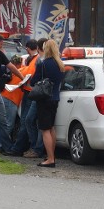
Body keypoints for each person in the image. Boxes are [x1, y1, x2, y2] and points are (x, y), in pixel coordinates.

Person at [29, 39, 65, 168]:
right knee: (51, 128)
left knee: (44, 129)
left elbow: (34, 82)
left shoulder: (43, 64)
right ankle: (52, 155)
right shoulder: (61, 64)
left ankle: (50, 159)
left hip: (44, 99)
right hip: (55, 98)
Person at [10, 39, 42, 157]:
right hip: (32, 92)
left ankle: (18, 148)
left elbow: (29, 74)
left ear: (28, 48)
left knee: (26, 121)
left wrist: (19, 73)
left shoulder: (35, 60)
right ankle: (24, 147)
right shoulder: (34, 59)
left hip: (30, 92)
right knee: (28, 122)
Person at [0, 54, 24, 154]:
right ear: (20, 63)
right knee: (8, 124)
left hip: (2, 96)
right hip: (11, 100)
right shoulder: (22, 71)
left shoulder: (9, 72)